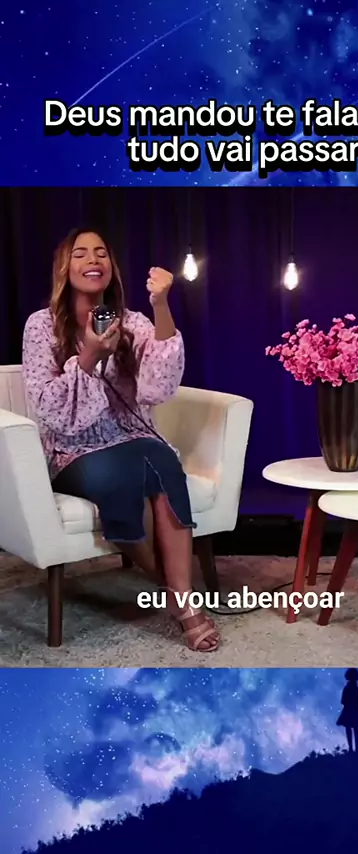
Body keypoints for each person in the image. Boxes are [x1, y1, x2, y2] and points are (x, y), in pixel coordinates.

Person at [22, 227, 220, 652]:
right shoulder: (40, 327)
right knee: (120, 476)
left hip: (132, 438)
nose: (93, 260)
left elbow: (159, 387)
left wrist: (161, 304)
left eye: (101, 253)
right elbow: (49, 408)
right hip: (73, 448)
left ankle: (181, 600)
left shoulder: (133, 322)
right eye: (80, 253)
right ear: (64, 267)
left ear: (111, 267)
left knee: (162, 461)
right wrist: (90, 356)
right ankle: (173, 590)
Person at [336, 668, 358, 752]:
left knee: (349, 728)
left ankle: (351, 748)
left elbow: (343, 701)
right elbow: (357, 702)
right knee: (355, 729)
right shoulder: (357, 689)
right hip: (355, 711)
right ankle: (356, 749)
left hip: (348, 710)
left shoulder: (347, 688)